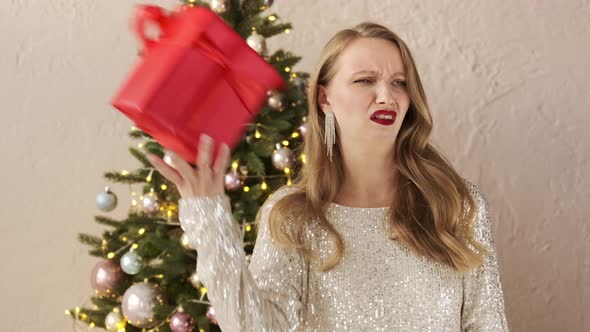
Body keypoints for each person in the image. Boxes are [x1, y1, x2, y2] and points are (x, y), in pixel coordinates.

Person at [147, 21, 509, 332]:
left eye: (399, 83)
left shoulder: (456, 203)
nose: (387, 96)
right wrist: (210, 220)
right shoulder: (293, 215)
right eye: (365, 80)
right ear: (325, 99)